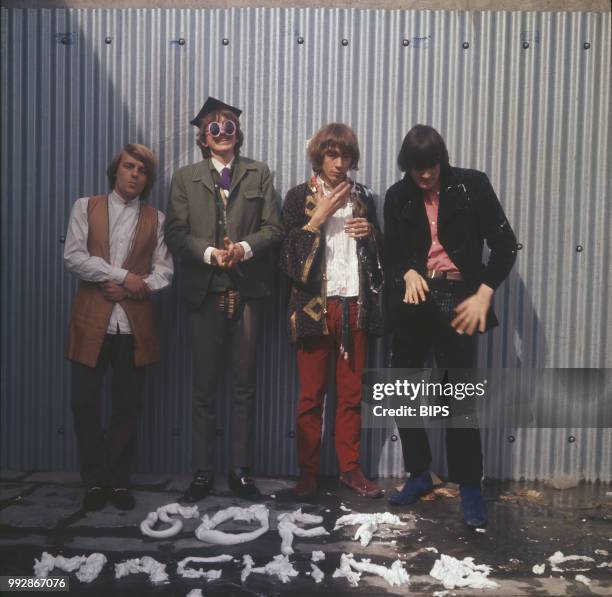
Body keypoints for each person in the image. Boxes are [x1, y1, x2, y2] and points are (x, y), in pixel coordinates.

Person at [383, 124, 517, 527]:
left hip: (461, 299)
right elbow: (390, 252)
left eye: (432, 166)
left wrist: (484, 292)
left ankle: (470, 486)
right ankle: (419, 473)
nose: (425, 176)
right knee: (401, 386)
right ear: (407, 166)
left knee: (457, 396)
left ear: (442, 158)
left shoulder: (471, 186)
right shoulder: (397, 195)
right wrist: (406, 271)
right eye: (417, 168)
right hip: (414, 298)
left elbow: (505, 244)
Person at [165, 97, 283, 502]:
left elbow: (274, 228)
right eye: (213, 128)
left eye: (228, 126)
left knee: (243, 386)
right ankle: (202, 472)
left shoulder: (259, 173)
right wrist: (212, 254)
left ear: (238, 133)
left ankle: (240, 471)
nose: (221, 134)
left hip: (248, 293)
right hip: (204, 294)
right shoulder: (185, 178)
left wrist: (244, 249)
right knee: (204, 386)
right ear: (203, 137)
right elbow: (176, 234)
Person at [64, 143, 173, 511]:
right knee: (85, 404)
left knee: (127, 406)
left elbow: (164, 271)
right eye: (129, 167)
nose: (134, 175)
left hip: (133, 327)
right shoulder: (85, 207)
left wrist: (135, 287)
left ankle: (118, 482)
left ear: (147, 180)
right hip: (90, 322)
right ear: (116, 170)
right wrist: (123, 276)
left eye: (142, 171)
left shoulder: (156, 219)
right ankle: (95, 482)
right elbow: (74, 257)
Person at [280, 123, 385, 500]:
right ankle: (307, 474)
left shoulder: (365, 197)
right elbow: (289, 264)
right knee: (311, 396)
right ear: (319, 156)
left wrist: (370, 234)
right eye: (331, 155)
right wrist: (316, 219)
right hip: (314, 309)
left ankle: (350, 470)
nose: (339, 164)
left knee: (352, 395)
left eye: (345, 156)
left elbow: (378, 261)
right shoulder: (297, 197)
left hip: (354, 305)